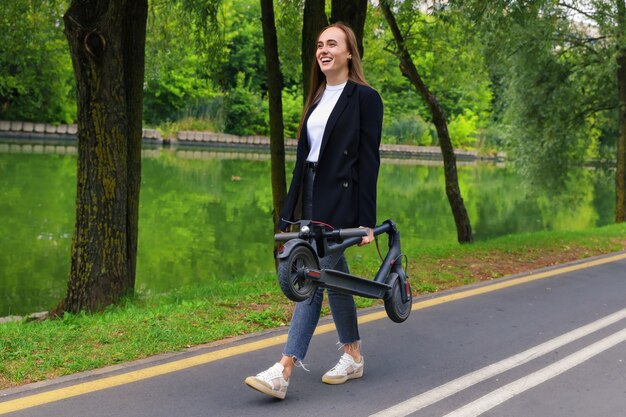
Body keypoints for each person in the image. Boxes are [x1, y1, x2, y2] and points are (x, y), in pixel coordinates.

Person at [244, 22, 383, 400]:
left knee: (313, 277)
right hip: (309, 195)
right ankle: (353, 355)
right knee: (333, 276)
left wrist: (365, 221)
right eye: (320, 45)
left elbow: (369, 162)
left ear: (349, 53)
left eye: (332, 44)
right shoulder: (318, 96)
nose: (323, 50)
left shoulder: (365, 98)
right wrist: (288, 213)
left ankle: (283, 369)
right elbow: (302, 161)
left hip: (340, 200)